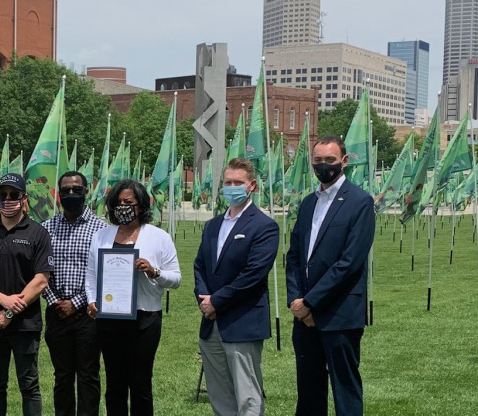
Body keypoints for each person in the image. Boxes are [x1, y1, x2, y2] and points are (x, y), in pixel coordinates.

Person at [285, 136, 375, 416]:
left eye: (330, 160)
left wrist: (311, 302)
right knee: (309, 390)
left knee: (345, 389)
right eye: (318, 161)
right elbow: (295, 256)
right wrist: (296, 302)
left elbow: (349, 263)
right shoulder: (308, 203)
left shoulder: (360, 202)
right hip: (304, 316)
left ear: (344, 162)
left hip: (340, 314)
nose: (324, 166)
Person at [84, 179, 181, 416]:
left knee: (140, 383)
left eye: (129, 202)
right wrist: (91, 300)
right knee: (115, 384)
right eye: (118, 203)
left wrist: (154, 272)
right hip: (109, 319)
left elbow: (176, 279)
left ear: (141, 205)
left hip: (145, 318)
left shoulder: (159, 237)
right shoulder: (101, 236)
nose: (123, 207)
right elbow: (91, 274)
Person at [193, 157, 279, 416]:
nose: (232, 187)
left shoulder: (265, 226)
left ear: (251, 185)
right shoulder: (212, 225)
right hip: (211, 324)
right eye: (228, 182)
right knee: (219, 395)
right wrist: (203, 299)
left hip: (242, 322)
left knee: (247, 396)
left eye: (238, 183)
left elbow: (252, 276)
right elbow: (199, 265)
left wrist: (216, 301)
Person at [0, 173, 54, 416]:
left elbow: (41, 280)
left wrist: (8, 312)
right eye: (2, 195)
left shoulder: (38, 233)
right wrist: (3, 301)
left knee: (29, 385)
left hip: (26, 325)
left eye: (13, 195)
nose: (7, 200)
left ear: (24, 198)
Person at [42, 171, 107, 416]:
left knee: (88, 375)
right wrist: (56, 302)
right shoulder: (45, 229)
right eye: (66, 190)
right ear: (58, 194)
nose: (71, 194)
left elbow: (105, 273)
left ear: (86, 191)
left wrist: (77, 303)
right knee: (63, 376)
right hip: (56, 313)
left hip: (89, 315)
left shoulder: (102, 229)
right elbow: (39, 272)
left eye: (76, 189)